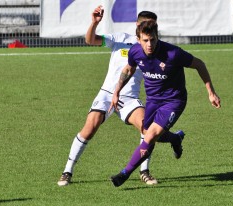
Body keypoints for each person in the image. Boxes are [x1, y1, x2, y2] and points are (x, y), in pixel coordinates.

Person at [57, 6, 185, 186]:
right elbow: (91, 40)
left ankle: (145, 171)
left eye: (152, 26)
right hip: (107, 93)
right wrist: (94, 23)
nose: (148, 29)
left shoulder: (155, 48)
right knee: (90, 127)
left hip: (130, 98)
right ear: (137, 25)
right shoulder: (121, 39)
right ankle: (67, 171)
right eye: (145, 25)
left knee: (147, 131)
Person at [109, 20, 221, 187]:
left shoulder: (173, 53)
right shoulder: (135, 52)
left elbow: (199, 64)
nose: (149, 44)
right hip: (153, 100)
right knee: (147, 131)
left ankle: (124, 174)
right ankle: (175, 138)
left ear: (157, 37)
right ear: (138, 39)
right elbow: (128, 69)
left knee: (151, 135)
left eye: (153, 40)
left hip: (174, 100)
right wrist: (117, 91)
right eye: (145, 40)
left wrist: (211, 92)